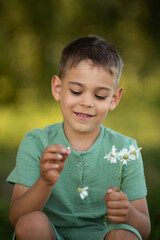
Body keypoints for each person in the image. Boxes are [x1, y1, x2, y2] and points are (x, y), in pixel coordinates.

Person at [7, 35, 151, 240]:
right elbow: (17, 218)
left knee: (124, 236)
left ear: (114, 98)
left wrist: (127, 212)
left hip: (103, 235)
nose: (87, 102)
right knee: (31, 223)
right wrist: (45, 181)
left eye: (100, 95)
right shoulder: (37, 142)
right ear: (58, 88)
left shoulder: (126, 149)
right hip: (50, 234)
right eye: (76, 91)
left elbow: (144, 229)